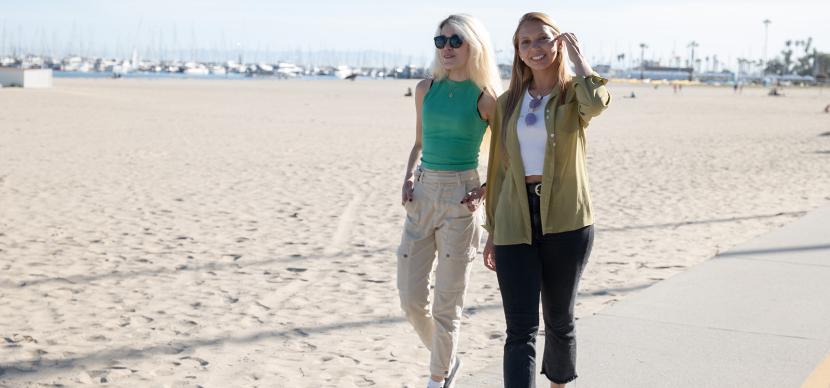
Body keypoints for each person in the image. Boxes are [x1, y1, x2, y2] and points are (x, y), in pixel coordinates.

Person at [482, 12, 610, 387]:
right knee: (519, 328)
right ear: (518, 52)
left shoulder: (574, 95)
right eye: (525, 42)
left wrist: (580, 61)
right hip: (513, 220)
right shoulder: (507, 103)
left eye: (542, 39)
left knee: (559, 320)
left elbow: (599, 102)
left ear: (559, 43)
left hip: (567, 220)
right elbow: (499, 171)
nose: (534, 48)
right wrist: (492, 229)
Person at [397, 13, 502, 388]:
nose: (446, 48)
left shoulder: (487, 99)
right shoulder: (426, 88)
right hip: (422, 195)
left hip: (462, 200)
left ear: (474, 45)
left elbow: (506, 157)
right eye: (440, 41)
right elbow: (419, 143)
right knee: (410, 300)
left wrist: (486, 188)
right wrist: (408, 175)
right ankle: (448, 357)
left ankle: (438, 377)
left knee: (447, 303)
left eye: (455, 40)